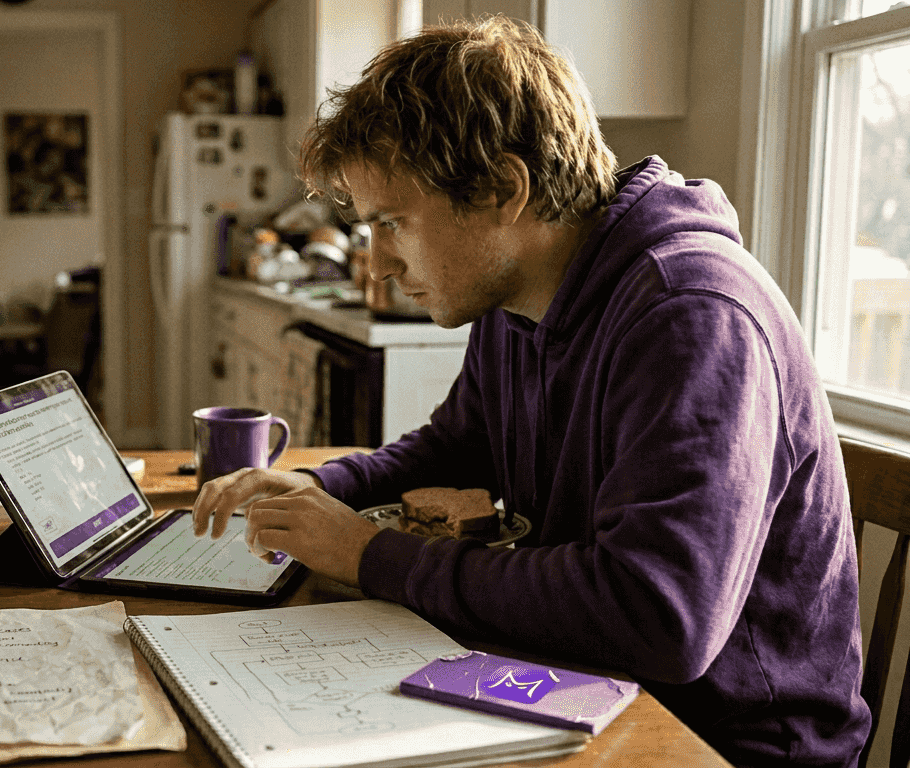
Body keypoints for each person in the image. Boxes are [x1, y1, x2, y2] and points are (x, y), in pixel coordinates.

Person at [191, 16, 871, 768]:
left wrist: (371, 555)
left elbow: (660, 615)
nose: (376, 264)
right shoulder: (520, 294)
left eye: (392, 223)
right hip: (575, 689)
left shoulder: (693, 315)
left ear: (502, 191)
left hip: (720, 742)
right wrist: (321, 486)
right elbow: (458, 445)